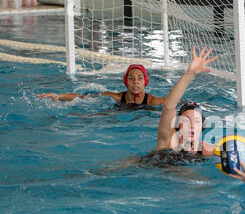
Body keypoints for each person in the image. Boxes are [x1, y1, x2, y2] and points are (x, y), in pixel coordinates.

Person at [153, 46, 217, 157]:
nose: (192, 126)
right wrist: (190, 74)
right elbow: (168, 107)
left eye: (196, 122)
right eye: (186, 121)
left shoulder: (206, 150)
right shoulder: (168, 142)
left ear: (202, 126)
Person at [37, 64, 165, 107]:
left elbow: (174, 103)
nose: (136, 82)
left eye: (139, 78)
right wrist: (58, 96)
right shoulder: (117, 97)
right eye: (131, 78)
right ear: (126, 82)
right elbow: (81, 97)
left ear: (145, 82)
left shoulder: (153, 101)